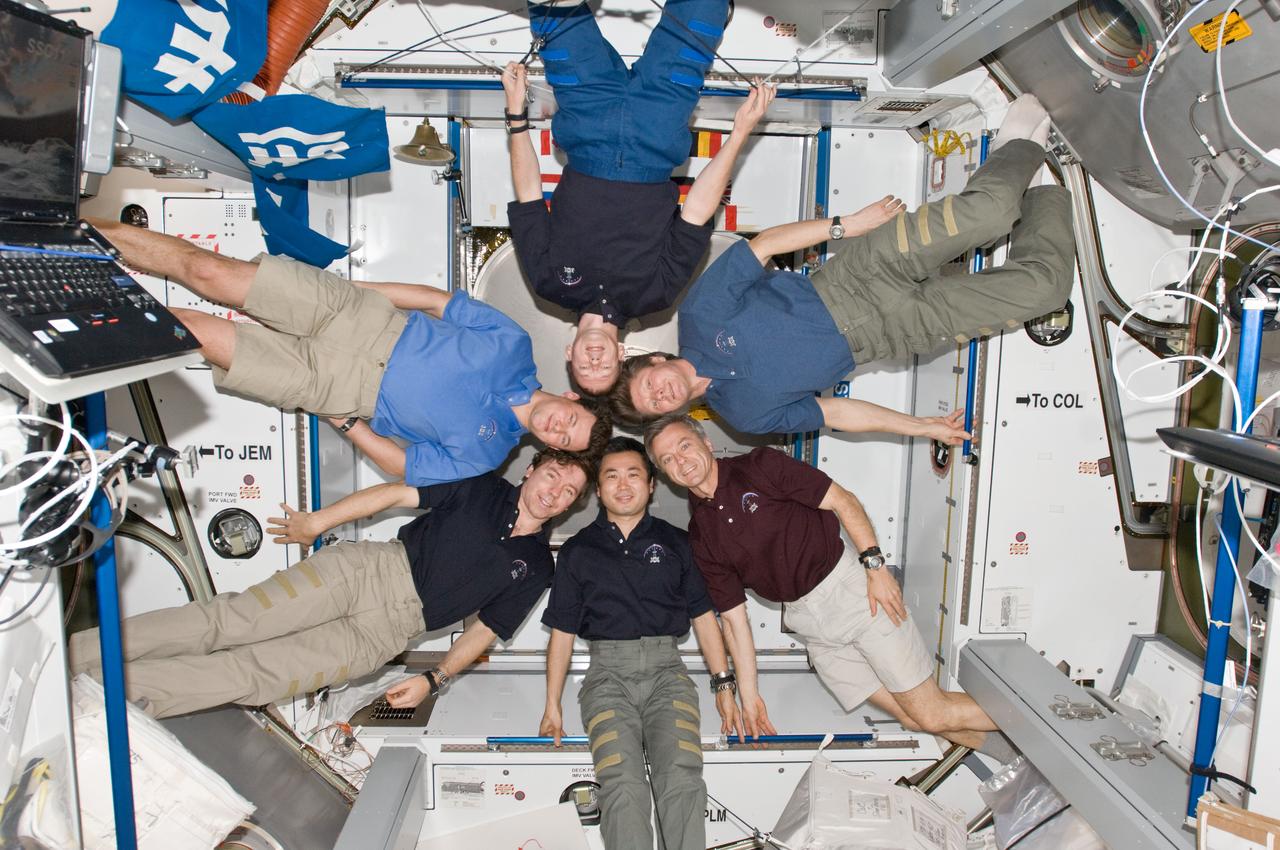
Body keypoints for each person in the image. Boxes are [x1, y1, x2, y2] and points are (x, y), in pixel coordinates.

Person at [609, 95, 1073, 440]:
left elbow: (765, 245)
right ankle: (1042, 191)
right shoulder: (745, 416)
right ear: (664, 417)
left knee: (991, 213)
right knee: (1045, 292)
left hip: (860, 275)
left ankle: (1015, 148)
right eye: (652, 407)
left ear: (653, 361)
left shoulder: (699, 316)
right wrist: (920, 428)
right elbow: (833, 414)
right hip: (891, 335)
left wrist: (846, 225)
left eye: (649, 386)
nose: (659, 395)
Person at [68, 449, 593, 718]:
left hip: (387, 635)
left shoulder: (539, 566)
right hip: (364, 573)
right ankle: (72, 659)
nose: (556, 492)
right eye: (553, 476)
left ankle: (112, 699)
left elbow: (486, 630)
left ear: (573, 505)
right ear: (531, 471)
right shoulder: (480, 487)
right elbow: (393, 494)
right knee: (229, 621)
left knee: (256, 679)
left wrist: (436, 680)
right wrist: (318, 523)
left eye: (569, 491)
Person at [89, 218, 610, 485]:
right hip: (356, 318)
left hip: (333, 387)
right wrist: (360, 296)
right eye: (571, 419)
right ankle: (73, 235)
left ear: (555, 452)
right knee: (209, 273)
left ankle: (66, 310)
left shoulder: (486, 456)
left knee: (192, 333)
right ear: (570, 397)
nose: (558, 428)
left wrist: (345, 424)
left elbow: (404, 467)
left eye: (565, 440)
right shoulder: (513, 343)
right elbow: (432, 300)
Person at [645, 415, 1016, 760]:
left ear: (706, 442)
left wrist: (875, 567)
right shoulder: (702, 534)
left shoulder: (760, 466)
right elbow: (734, 622)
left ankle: (1054, 725)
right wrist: (749, 695)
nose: (680, 461)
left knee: (932, 713)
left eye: (684, 446)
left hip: (853, 591)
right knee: (915, 718)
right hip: (809, 625)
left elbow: (843, 500)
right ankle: (1015, 756)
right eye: (667, 460)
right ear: (664, 474)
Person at [501, 0, 776, 396]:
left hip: (585, 118)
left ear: (569, 352)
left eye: (584, 368)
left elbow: (528, 196)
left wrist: (515, 115)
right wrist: (740, 133)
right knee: (703, 7)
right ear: (623, 353)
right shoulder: (657, 295)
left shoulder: (548, 282)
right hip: (658, 128)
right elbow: (697, 212)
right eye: (605, 368)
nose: (594, 361)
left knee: (551, 7)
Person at [539, 437, 739, 850]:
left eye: (634, 475)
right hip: (607, 678)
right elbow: (561, 633)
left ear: (651, 486)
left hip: (669, 675)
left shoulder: (677, 543)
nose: (623, 484)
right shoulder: (577, 551)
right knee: (622, 784)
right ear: (598, 488)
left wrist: (724, 685)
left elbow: (704, 618)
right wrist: (552, 705)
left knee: (681, 778)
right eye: (612, 476)